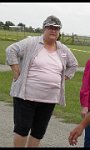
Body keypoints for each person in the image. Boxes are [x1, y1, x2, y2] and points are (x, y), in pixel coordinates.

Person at [5, 15, 78, 147]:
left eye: (56, 28)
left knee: (39, 131)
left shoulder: (62, 49)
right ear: (43, 28)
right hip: (26, 97)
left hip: (49, 99)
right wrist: (16, 71)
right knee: (22, 129)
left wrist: (63, 78)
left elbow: (73, 64)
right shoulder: (32, 42)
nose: (53, 30)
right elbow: (11, 50)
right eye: (50, 27)